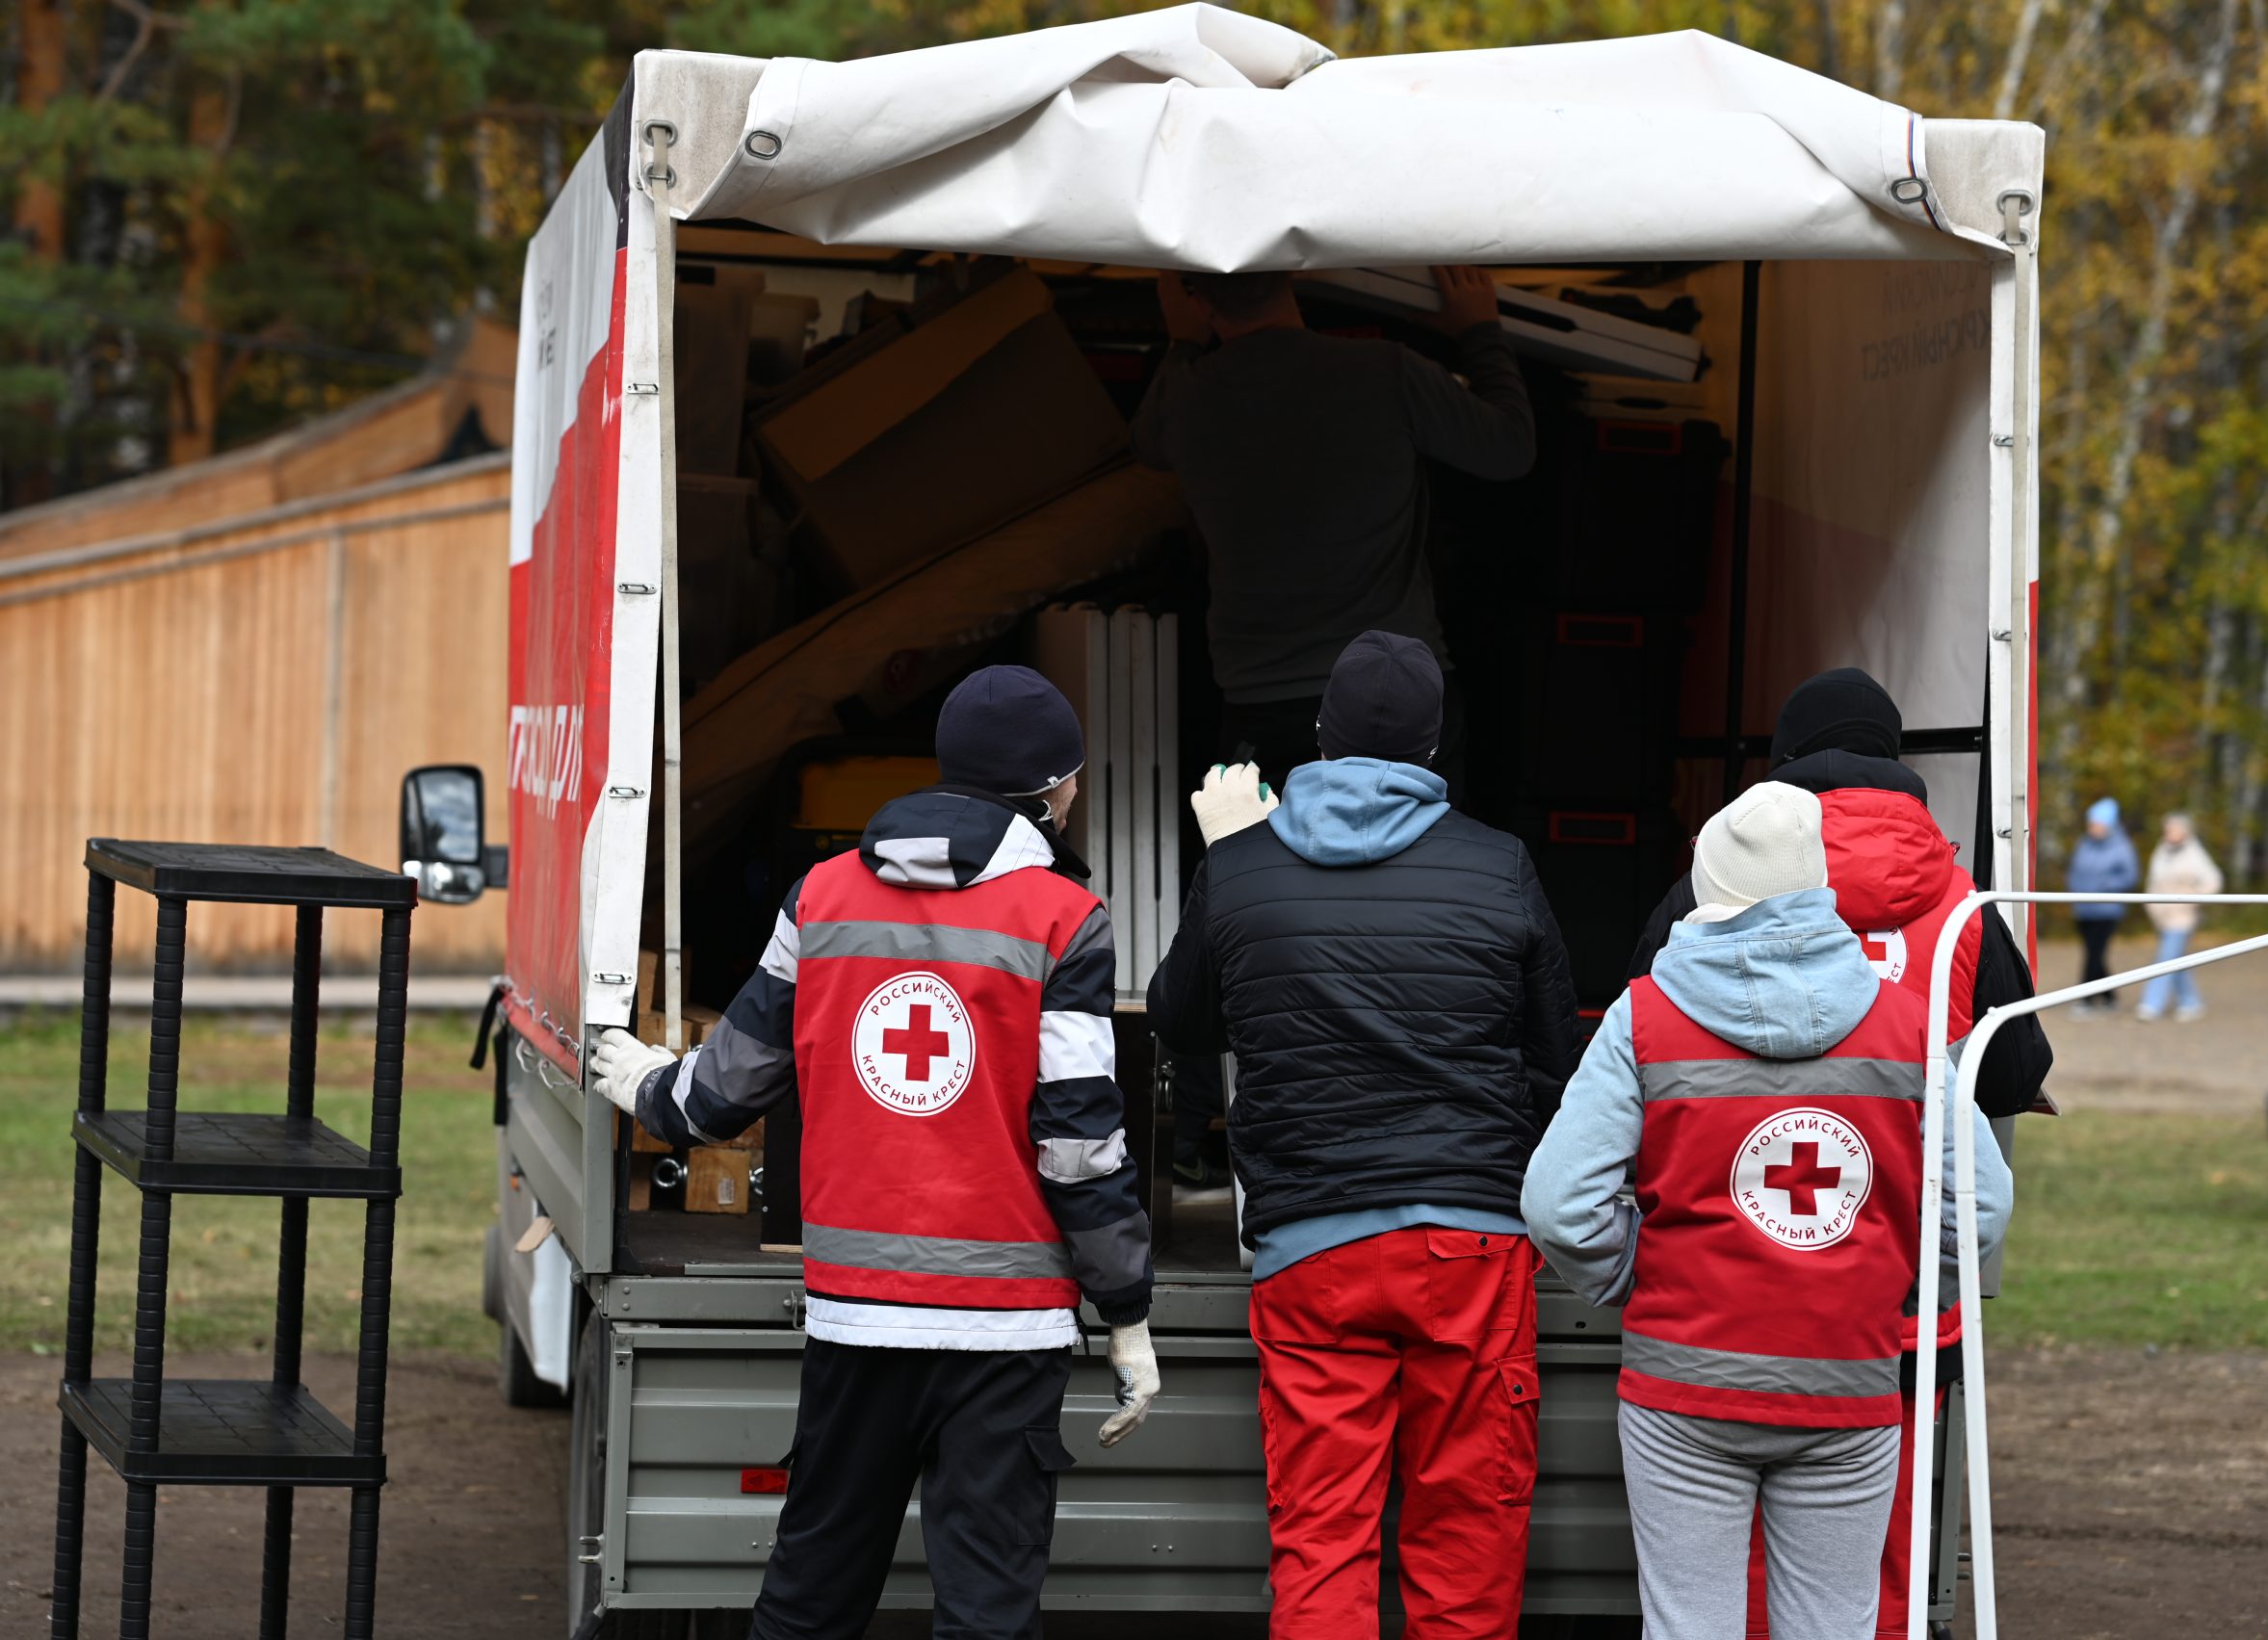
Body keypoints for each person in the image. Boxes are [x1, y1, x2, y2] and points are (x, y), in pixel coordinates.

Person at [587, 665, 1160, 1640]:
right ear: (1057, 789)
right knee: (984, 1608)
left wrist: (647, 1083)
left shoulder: (821, 896)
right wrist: (1128, 1314)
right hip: (1003, 1332)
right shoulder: (1065, 917)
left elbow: (726, 1088)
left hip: (856, 1318)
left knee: (813, 1589)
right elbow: (1078, 1145)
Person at [1145, 630, 1577, 1639]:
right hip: (1470, 1248)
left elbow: (1181, 1019)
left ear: (1319, 737)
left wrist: (1227, 860)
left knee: (1322, 1541)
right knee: (1466, 1539)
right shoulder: (1500, 865)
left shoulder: (1242, 867)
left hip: (1311, 1248)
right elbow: (1556, 1054)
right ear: (1434, 750)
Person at [1524, 783, 2011, 1640]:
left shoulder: (1643, 1015)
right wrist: (1896, 1285)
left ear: (1709, 886)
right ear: (1817, 886)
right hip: (1848, 1382)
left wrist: (1636, 1274)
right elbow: (1980, 1209)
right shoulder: (1909, 1023)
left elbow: (1561, 1206)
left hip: (1681, 1386)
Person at [1132, 265, 1536, 789]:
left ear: (1193, 298)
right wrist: (1480, 331)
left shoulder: (1185, 395)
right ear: (1295, 275)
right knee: (1419, 866)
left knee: (1268, 864)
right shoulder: (1387, 371)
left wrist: (1183, 342)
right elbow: (1510, 449)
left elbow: (1147, 444)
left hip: (1263, 691)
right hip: (1395, 683)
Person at [1628, 667, 2052, 1121]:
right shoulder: (1965, 909)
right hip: (1909, 1181)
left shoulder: (1713, 880)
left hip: (1726, 1173)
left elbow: (1634, 1049)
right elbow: (2013, 1083)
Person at [2140, 812, 2224, 1022]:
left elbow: (2213, 880)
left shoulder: (2195, 854)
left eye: (2173, 829)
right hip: (2161, 917)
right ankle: (2191, 1001)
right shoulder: (2162, 851)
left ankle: (2151, 1004)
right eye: (2167, 829)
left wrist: (2192, 900)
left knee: (2165, 959)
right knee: (2176, 960)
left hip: (2182, 918)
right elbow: (2153, 881)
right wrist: (2151, 905)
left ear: (2184, 831)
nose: (2169, 833)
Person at [2067, 797, 2140, 1009]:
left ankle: (2086, 1000)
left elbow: (2130, 876)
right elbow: (2075, 871)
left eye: (2097, 825)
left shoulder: (2122, 847)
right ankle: (2109, 997)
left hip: (2107, 910)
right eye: (2090, 824)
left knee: (2093, 955)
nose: (2092, 829)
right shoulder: (2084, 844)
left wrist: (2102, 885)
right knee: (2095, 954)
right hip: (2083, 908)